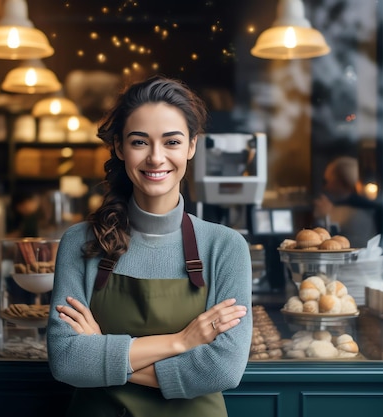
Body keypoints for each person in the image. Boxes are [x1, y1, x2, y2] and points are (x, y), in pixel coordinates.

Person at [47, 75, 253, 416]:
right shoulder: (80, 243)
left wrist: (102, 355)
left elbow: (223, 369)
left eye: (171, 142)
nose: (156, 158)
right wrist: (180, 342)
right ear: (118, 147)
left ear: (191, 146)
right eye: (140, 142)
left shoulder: (225, 247)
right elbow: (67, 360)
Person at [313, 156, 378, 247]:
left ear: (339, 182)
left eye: (327, 181)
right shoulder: (358, 205)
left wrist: (327, 216)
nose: (325, 187)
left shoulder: (355, 211)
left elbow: (334, 246)